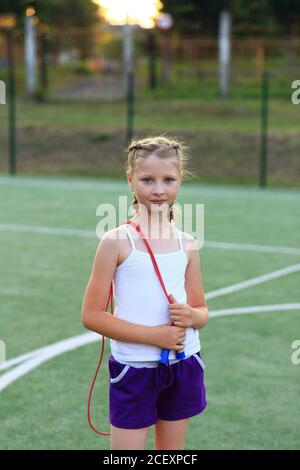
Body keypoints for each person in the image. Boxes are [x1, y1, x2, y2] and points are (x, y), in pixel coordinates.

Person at [82, 136, 208, 450]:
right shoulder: (116, 241)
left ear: (180, 181)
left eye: (168, 179)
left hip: (183, 362)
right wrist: (154, 337)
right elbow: (91, 316)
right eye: (147, 180)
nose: (158, 189)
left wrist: (193, 316)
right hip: (134, 368)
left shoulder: (187, 243)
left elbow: (202, 310)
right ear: (130, 180)